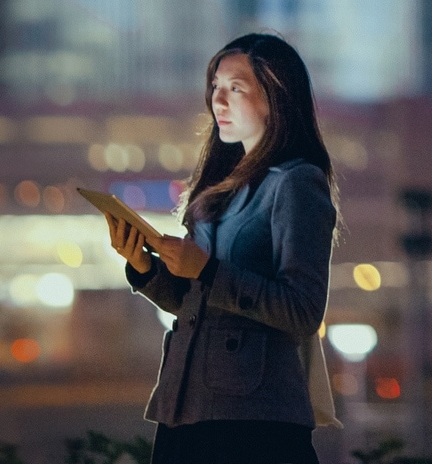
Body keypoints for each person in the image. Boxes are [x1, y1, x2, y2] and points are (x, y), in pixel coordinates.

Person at [104, 33, 338, 464]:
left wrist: (209, 270)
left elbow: (303, 311)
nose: (219, 101)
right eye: (215, 87)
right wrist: (145, 268)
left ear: (276, 97)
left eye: (235, 88)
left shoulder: (296, 183)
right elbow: (197, 304)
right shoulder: (217, 190)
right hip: (186, 407)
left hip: (254, 418)